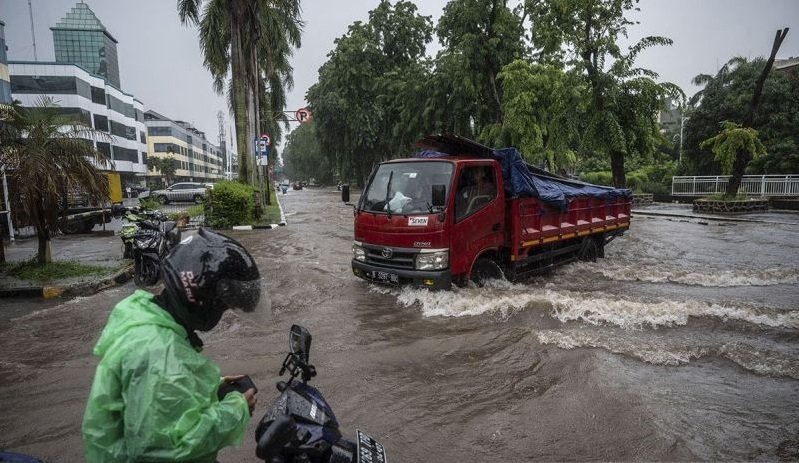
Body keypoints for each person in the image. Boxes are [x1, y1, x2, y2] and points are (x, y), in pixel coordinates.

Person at [82, 228, 262, 462]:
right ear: (203, 300)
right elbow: (163, 450)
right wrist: (235, 410)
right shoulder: (158, 354)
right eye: (223, 305)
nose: (221, 312)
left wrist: (209, 390)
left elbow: (158, 397)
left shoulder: (146, 317)